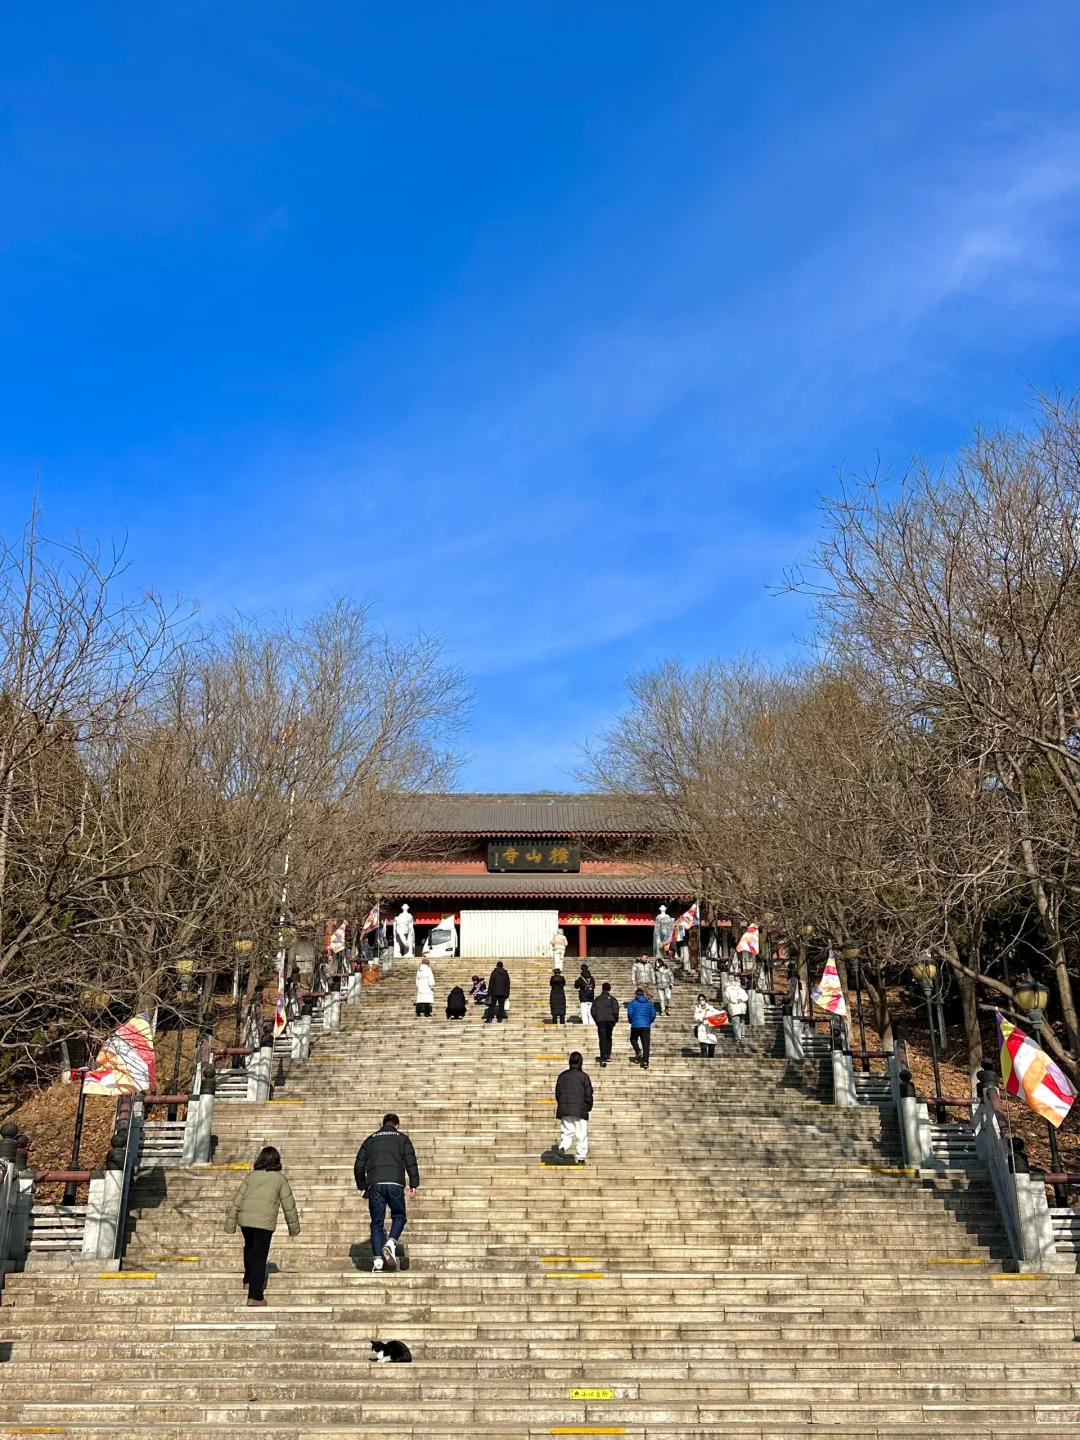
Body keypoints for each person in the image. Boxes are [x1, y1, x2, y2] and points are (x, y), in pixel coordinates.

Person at [224, 1145, 300, 1306]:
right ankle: (255, 1296)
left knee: (249, 1248)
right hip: (264, 1222)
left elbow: (237, 1201)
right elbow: (289, 1205)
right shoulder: (279, 1179)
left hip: (246, 1219)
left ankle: (248, 1280)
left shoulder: (251, 1177)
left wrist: (230, 1223)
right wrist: (293, 1228)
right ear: (277, 1161)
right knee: (260, 1257)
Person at [353, 1112, 420, 1273]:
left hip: (375, 1185)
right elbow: (411, 1162)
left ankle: (377, 1263)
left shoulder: (371, 1140)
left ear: (383, 1124)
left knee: (377, 1223)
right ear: (397, 1125)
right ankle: (390, 1243)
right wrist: (414, 1184)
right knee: (399, 1216)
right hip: (395, 1183)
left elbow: (358, 1166)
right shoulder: (402, 1139)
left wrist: (362, 1188)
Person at [554, 1051, 593, 1163]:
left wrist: (562, 1104)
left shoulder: (562, 1076)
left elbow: (557, 1094)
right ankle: (581, 1158)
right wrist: (588, 1107)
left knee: (566, 1133)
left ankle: (562, 1148)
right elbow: (588, 1095)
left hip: (565, 1110)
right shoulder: (584, 1077)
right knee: (581, 1135)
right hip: (580, 1110)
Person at [627, 987, 657, 1069]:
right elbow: (653, 1014)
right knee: (646, 1044)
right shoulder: (649, 1003)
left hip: (635, 1025)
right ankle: (645, 1061)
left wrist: (631, 1021)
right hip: (646, 1026)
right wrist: (649, 1021)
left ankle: (638, 1050)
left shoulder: (632, 1003)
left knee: (633, 1039)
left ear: (636, 994)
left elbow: (630, 1014)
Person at [591, 981, 619, 1067]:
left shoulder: (597, 999)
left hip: (601, 1022)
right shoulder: (612, 999)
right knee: (609, 1038)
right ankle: (608, 1055)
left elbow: (593, 1011)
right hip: (610, 1021)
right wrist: (615, 1020)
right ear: (609, 989)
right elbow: (616, 1010)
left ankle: (603, 1057)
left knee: (602, 1039)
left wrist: (597, 1020)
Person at [727, 976, 748, 1044]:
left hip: (734, 1009)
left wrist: (736, 1001)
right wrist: (741, 1000)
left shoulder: (728, 990)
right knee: (741, 1021)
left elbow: (730, 999)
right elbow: (746, 997)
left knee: (736, 1023)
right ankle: (742, 1034)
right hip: (742, 1008)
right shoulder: (742, 990)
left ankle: (738, 1037)